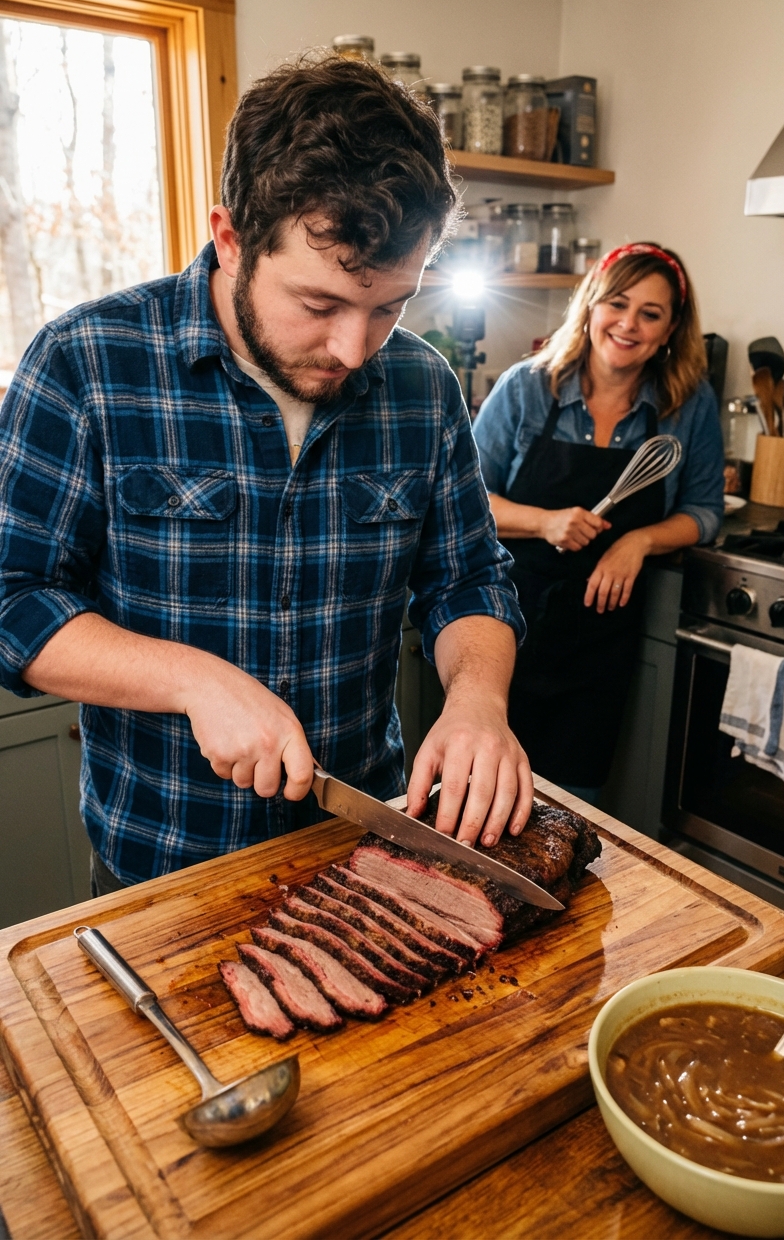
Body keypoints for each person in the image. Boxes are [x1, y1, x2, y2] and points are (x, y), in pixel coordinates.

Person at [0, 55, 533, 895]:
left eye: (391, 306)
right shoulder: (87, 363)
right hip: (161, 866)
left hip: (359, 855)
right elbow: (14, 597)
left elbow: (467, 579)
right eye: (320, 305)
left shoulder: (424, 389)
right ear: (231, 237)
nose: (356, 350)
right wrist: (191, 679)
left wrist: (476, 702)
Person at [473, 242, 724, 804]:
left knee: (573, 805)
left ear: (670, 330)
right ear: (590, 306)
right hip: (508, 628)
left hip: (603, 642)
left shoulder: (689, 405)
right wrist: (544, 522)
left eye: (650, 314)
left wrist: (640, 540)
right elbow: (466, 502)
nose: (628, 324)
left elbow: (705, 512)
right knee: (485, 794)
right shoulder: (527, 388)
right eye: (617, 303)